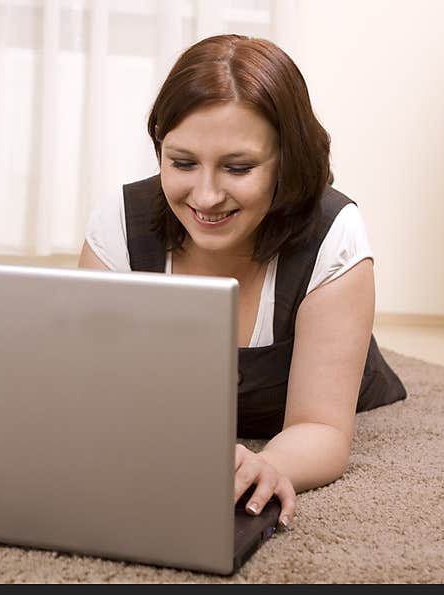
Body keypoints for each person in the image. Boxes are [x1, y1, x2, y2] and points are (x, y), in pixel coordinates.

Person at [77, 34, 406, 531]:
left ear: (287, 162)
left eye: (238, 168)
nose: (206, 197)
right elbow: (91, 393)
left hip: (335, 393)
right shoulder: (120, 223)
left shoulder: (333, 232)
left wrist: (268, 465)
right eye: (182, 162)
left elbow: (319, 426)